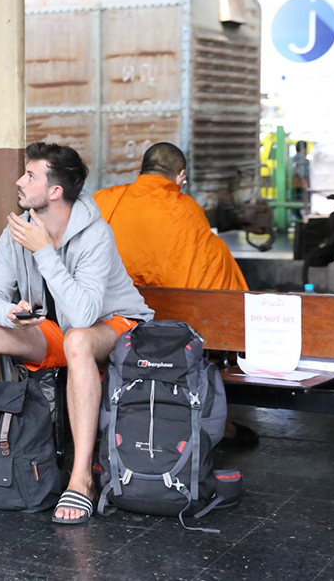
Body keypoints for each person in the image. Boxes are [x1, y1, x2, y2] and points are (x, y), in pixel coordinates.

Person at [0, 143, 154, 525]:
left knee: (78, 339)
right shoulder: (20, 230)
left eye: (31, 176)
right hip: (57, 331)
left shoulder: (95, 235)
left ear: (55, 191)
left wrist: (43, 252)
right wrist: (9, 312)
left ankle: (81, 478)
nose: (20, 181)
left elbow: (85, 315)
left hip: (116, 327)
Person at [93, 142, 258, 446]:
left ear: (140, 172)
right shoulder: (186, 210)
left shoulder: (104, 200)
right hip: (176, 329)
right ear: (180, 176)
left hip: (109, 321)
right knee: (217, 254)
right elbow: (211, 281)